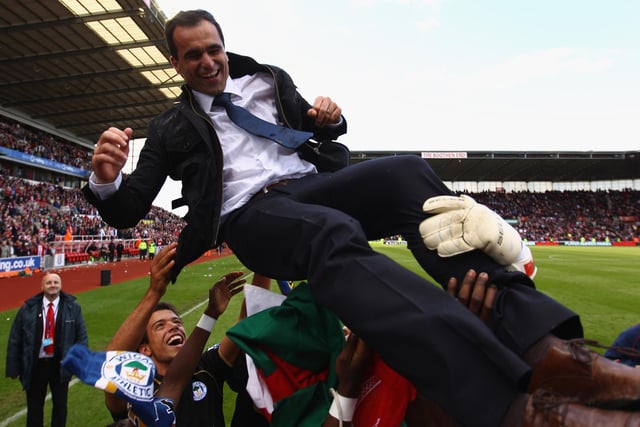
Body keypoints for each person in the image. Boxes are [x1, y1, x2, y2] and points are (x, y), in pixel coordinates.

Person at [83, 9, 640, 425]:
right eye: (192, 56)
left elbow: (316, 128)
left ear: (224, 47)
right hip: (251, 216)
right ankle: (514, 405)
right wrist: (106, 179)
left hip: (314, 185)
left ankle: (550, 353)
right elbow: (129, 209)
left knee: (404, 173)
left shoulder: (267, 79)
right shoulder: (171, 127)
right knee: (331, 234)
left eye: (213, 50)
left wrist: (330, 115)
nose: (207, 62)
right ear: (175, 64)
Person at [103, 243, 269, 427]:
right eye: (160, 326)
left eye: (177, 322)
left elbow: (246, 323)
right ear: (145, 349)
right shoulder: (136, 391)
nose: (174, 327)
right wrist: (154, 292)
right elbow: (111, 366)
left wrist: (265, 259)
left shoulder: (206, 367)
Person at [5, 272, 89, 427]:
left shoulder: (73, 307)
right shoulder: (28, 308)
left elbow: (81, 336)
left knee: (60, 406)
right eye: (49, 282)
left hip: (61, 365)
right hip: (35, 364)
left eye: (56, 282)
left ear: (61, 285)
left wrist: (80, 363)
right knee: (34, 407)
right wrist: (13, 367)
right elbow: (15, 337)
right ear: (42, 286)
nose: (53, 285)